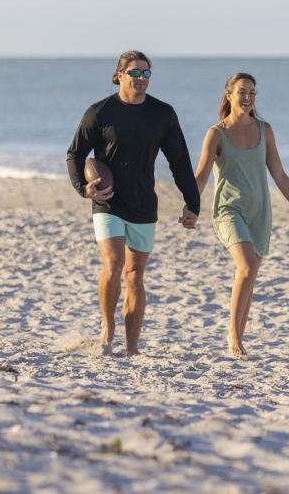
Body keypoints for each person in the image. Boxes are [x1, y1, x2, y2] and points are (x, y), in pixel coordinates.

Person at [66, 50, 200, 356]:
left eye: (146, 73)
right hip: (108, 200)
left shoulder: (162, 114)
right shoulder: (99, 113)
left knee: (135, 274)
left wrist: (192, 202)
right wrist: (84, 189)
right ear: (119, 76)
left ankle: (132, 347)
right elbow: (75, 154)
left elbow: (179, 160)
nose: (141, 79)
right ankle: (106, 330)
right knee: (113, 264)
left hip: (143, 204)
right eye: (135, 73)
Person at [191, 73, 289, 356]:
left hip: (260, 212)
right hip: (228, 210)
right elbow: (200, 176)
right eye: (241, 92)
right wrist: (191, 206)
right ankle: (234, 338)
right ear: (228, 95)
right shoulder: (216, 133)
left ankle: (239, 336)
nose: (247, 97)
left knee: (249, 275)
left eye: (252, 92)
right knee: (247, 267)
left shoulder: (265, 129)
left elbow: (280, 175)